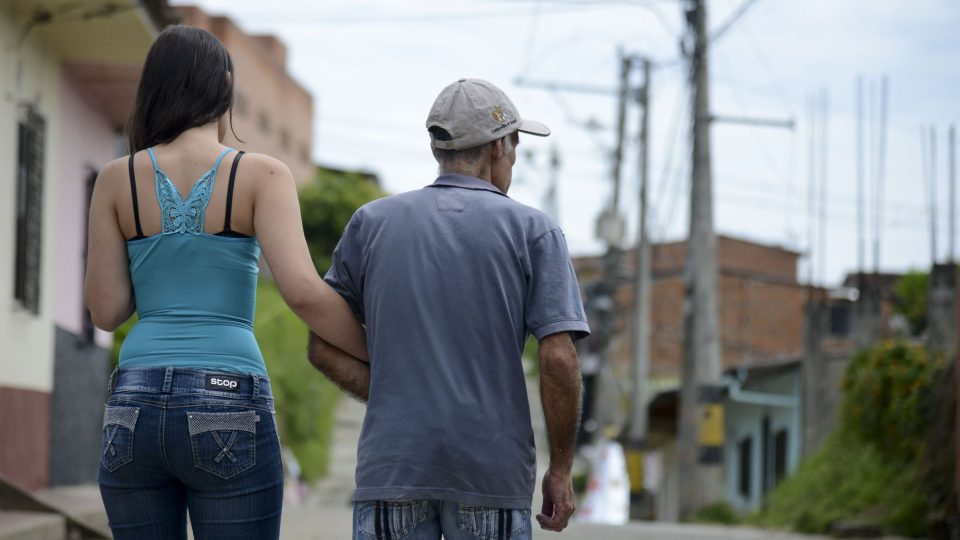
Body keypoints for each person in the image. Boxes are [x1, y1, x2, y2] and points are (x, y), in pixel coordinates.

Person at [84, 25, 367, 540]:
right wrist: (378, 354)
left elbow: (105, 311)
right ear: (225, 87)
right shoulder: (262, 175)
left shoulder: (115, 179)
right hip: (227, 393)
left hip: (134, 399)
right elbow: (303, 293)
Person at [307, 78, 590, 539]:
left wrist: (394, 393)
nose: (513, 161)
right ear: (498, 147)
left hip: (392, 470)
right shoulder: (534, 231)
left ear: (438, 148)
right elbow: (558, 358)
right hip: (490, 478)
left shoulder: (371, 223)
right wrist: (560, 469)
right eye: (515, 148)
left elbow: (322, 346)